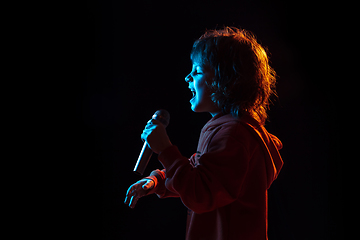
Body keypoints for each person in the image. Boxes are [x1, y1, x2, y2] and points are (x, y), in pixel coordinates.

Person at [124, 27, 283, 240]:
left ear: (225, 79)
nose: (187, 77)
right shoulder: (230, 128)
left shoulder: (233, 134)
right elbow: (203, 173)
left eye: (197, 71)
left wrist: (165, 150)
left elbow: (201, 193)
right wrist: (158, 181)